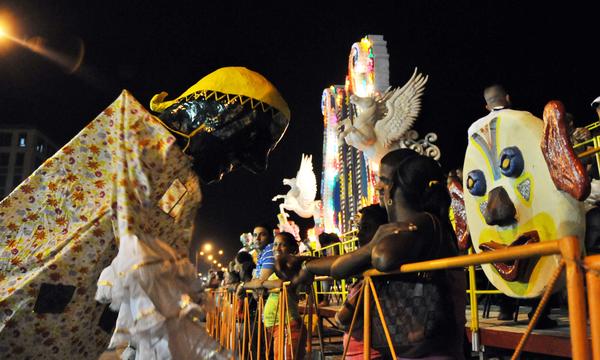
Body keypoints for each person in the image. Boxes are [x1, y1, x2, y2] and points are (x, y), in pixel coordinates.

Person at [293, 148, 466, 359]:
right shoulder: (421, 226)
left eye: (381, 179)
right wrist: (308, 265)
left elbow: (382, 258)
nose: (377, 186)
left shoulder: (423, 223)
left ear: (392, 187)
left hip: (432, 353)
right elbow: (340, 266)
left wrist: (374, 244)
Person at [334, 204, 388, 360]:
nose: (359, 234)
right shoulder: (366, 273)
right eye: (359, 228)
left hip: (368, 355)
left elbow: (342, 318)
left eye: (366, 228)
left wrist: (339, 318)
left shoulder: (373, 276)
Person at [242, 232, 307, 360]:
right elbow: (263, 284)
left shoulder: (294, 266)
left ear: (293, 248)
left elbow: (281, 283)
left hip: (288, 326)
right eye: (275, 244)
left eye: (282, 245)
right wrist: (259, 285)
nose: (277, 248)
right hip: (277, 328)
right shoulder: (277, 268)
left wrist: (260, 284)